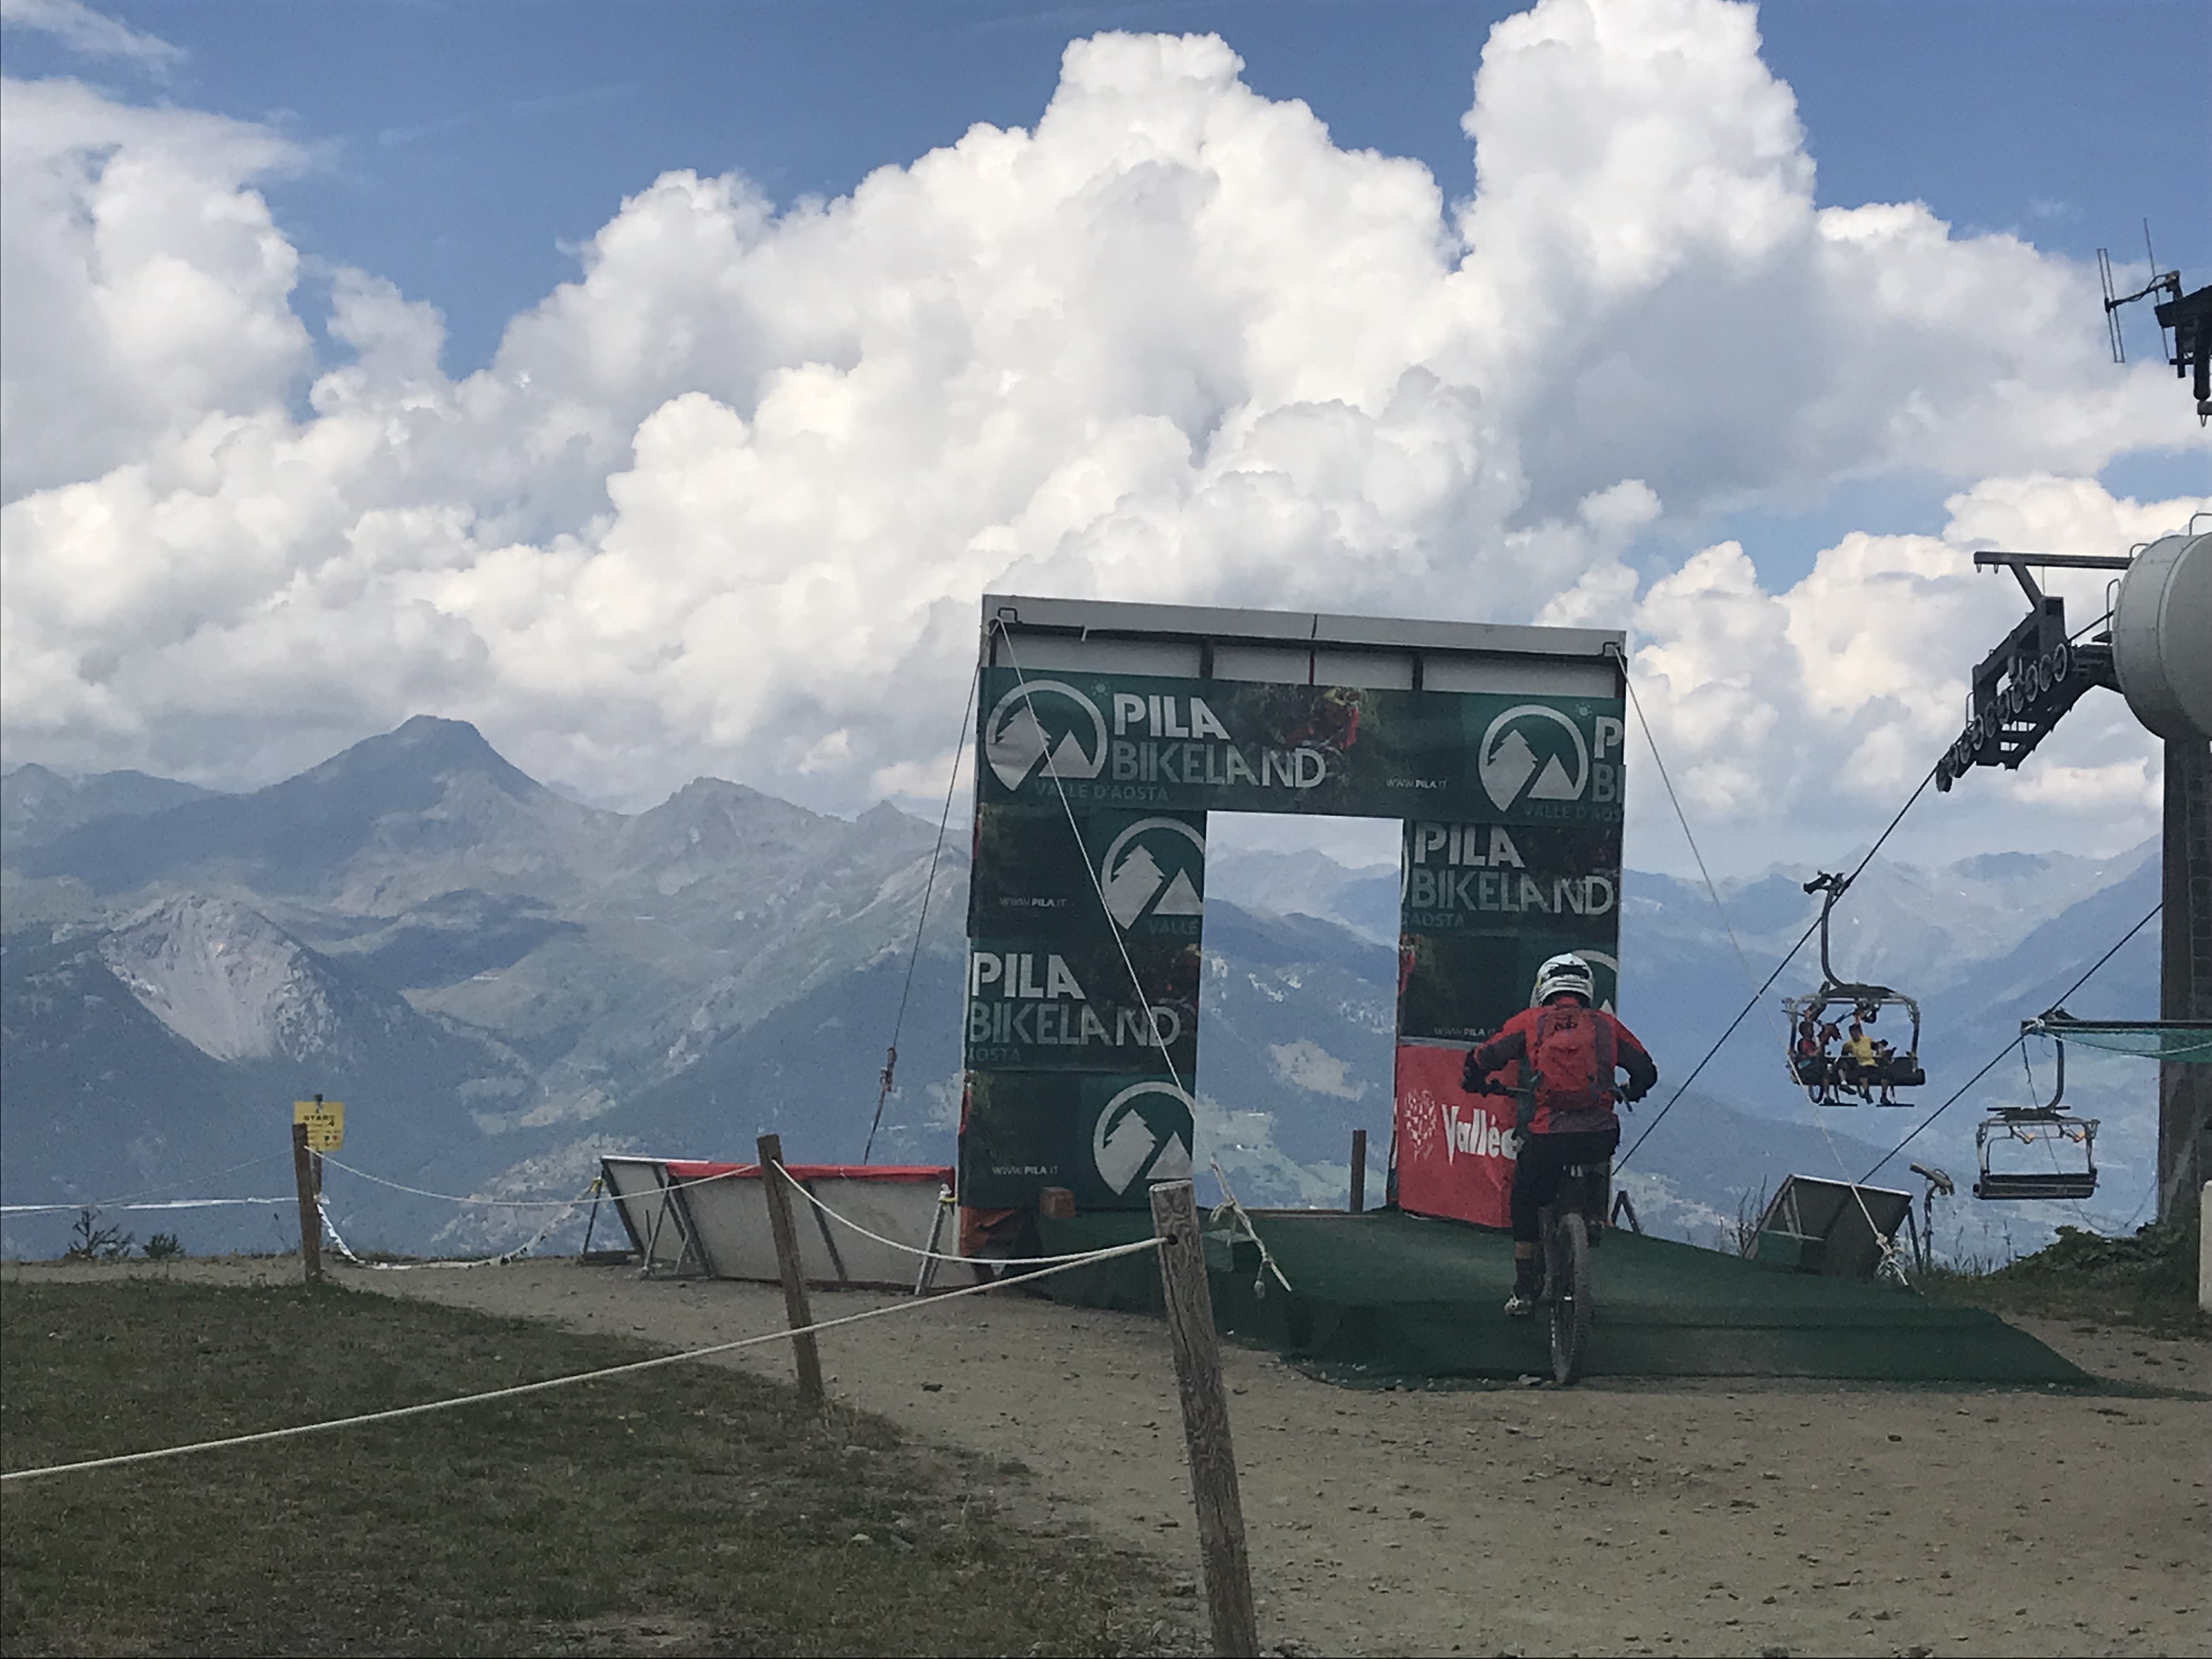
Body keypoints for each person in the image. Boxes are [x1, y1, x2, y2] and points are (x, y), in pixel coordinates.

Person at [1460, 952, 1659, 1316]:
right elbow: (1646, 1070)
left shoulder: (1532, 1022)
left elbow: (1485, 1056)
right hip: (1599, 1133)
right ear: (1586, 988)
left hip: (1547, 1135)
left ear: (1544, 988)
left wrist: (1473, 1079)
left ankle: (1524, 1288)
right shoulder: (1606, 1026)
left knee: (1524, 1196)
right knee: (1598, 1151)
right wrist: (1631, 1091)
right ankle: (1594, 1216)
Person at [1839, 1020, 1877, 1101]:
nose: (1853, 1035)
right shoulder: (1849, 1044)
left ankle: (1868, 1093)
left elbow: (1875, 1047)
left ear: (1859, 1032)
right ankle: (1866, 1092)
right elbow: (1844, 1054)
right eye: (1851, 1034)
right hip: (1859, 1065)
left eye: (1854, 1033)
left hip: (1870, 1063)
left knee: (1871, 1071)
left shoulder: (1867, 1040)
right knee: (1862, 1072)